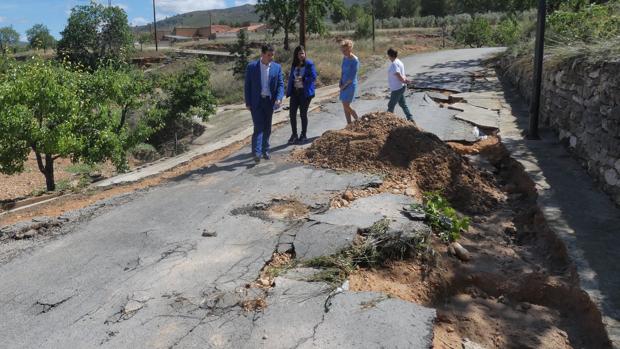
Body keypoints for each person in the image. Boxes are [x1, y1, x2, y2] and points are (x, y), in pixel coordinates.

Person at [245, 44, 285, 163]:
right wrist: (247, 102)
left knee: (267, 127)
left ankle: (265, 150)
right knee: (258, 127)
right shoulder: (252, 67)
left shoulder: (277, 67)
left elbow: (280, 85)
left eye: (272, 55)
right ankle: (257, 152)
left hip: (269, 101)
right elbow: (248, 85)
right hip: (256, 102)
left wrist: (279, 98)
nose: (271, 57)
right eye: (269, 55)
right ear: (262, 54)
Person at [286, 45, 317, 145]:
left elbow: (313, 76)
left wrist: (304, 80)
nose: (301, 55)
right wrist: (288, 90)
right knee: (292, 114)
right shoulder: (294, 64)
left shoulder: (309, 63)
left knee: (303, 114)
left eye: (303, 53)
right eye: (299, 54)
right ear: (296, 55)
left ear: (305, 54)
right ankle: (294, 135)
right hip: (295, 92)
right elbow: (291, 77)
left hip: (305, 93)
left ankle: (303, 135)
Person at [386, 48, 413, 121]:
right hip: (400, 87)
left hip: (397, 88)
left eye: (388, 55)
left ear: (390, 55)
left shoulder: (394, 64)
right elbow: (401, 74)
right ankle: (410, 118)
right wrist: (405, 80)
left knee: (391, 105)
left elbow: (398, 74)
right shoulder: (399, 62)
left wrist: (404, 81)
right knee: (403, 104)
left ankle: (388, 121)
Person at [339, 39, 360, 124]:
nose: (344, 52)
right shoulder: (345, 58)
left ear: (350, 49)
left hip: (350, 85)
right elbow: (342, 70)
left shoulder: (355, 60)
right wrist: (340, 81)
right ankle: (349, 125)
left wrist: (344, 86)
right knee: (345, 106)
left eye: (346, 50)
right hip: (343, 83)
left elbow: (352, 76)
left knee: (346, 105)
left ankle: (358, 121)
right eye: (342, 50)